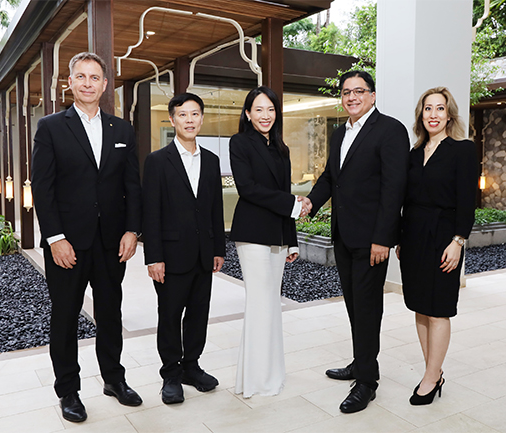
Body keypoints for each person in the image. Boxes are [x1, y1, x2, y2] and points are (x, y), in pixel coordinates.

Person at [31, 52, 143, 423]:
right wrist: (55, 238)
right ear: (70, 82)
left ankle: (114, 379)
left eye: (95, 77)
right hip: (68, 244)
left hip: (112, 242)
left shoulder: (122, 129)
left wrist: (132, 230)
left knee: (110, 313)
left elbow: (132, 186)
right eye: (81, 76)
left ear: (105, 84)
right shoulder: (50, 127)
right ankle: (69, 392)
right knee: (64, 317)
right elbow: (43, 188)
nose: (88, 83)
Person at [304, 70, 410, 413]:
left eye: (359, 91)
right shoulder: (339, 133)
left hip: (371, 241)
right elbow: (330, 178)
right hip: (344, 235)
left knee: (367, 309)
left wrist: (383, 237)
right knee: (354, 305)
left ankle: (366, 382)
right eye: (347, 92)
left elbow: (394, 189)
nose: (352, 97)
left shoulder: (391, 130)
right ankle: (360, 362)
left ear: (373, 95)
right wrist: (310, 202)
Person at [141, 92, 226, 405]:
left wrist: (219, 248)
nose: (189, 120)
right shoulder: (157, 161)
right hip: (171, 256)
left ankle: (192, 367)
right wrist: (154, 257)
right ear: (172, 119)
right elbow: (150, 212)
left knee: (198, 315)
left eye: (195, 114)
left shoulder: (213, 160)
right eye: (183, 115)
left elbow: (215, 209)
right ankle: (171, 376)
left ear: (201, 119)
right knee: (170, 316)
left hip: (204, 254)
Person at [396, 87, 478, 405]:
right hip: (413, 238)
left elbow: (466, 204)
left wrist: (458, 241)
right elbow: (405, 201)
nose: (433, 114)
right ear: (421, 115)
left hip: (445, 238)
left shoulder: (462, 150)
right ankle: (435, 370)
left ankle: (431, 377)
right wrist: (401, 238)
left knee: (439, 310)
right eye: (427, 108)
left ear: (449, 115)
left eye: (439, 109)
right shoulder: (413, 154)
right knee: (419, 306)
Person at [228, 86, 310, 398]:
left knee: (271, 306)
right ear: (247, 114)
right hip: (252, 235)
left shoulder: (281, 149)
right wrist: (292, 204)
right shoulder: (240, 143)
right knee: (260, 305)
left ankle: (269, 375)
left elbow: (284, 193)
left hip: (277, 236)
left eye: (271, 110)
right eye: (259, 109)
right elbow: (247, 189)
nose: (265, 115)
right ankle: (256, 381)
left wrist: (291, 242)